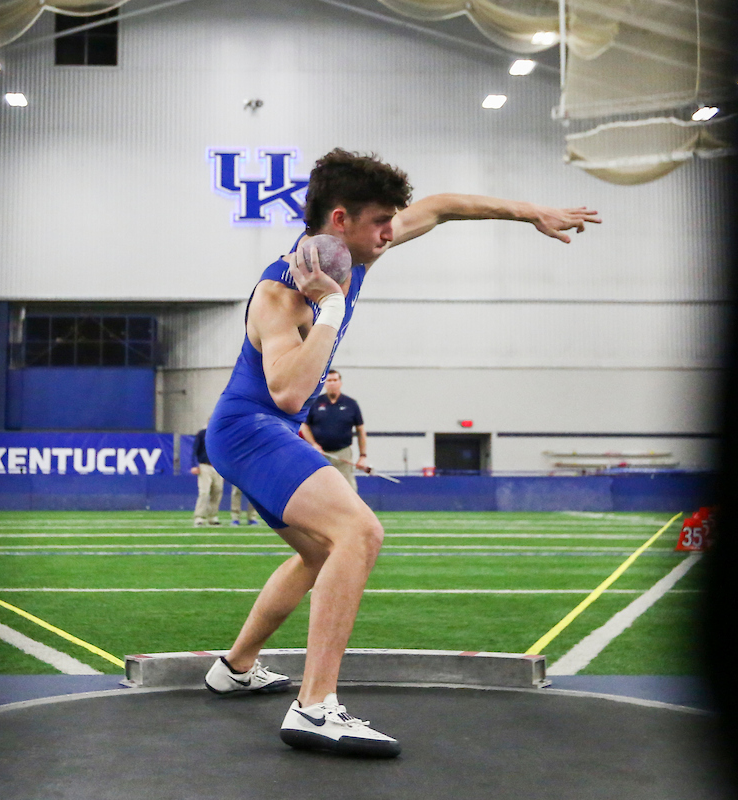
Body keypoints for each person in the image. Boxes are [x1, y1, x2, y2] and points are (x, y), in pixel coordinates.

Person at [203, 148, 599, 757]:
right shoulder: (282, 294)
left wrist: (530, 212)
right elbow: (288, 393)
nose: (392, 232)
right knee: (359, 532)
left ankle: (235, 666)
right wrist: (331, 306)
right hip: (250, 429)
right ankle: (314, 707)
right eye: (381, 222)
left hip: (259, 432)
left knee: (319, 553)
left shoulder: (359, 250)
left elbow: (442, 207)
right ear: (341, 220)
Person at [300, 369, 366, 493]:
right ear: (325, 383)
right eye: (329, 380)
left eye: (335, 380)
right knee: (320, 487)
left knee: (347, 488)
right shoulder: (315, 402)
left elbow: (361, 430)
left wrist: (363, 456)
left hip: (343, 453)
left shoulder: (351, 404)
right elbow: (304, 426)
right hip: (320, 454)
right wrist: (313, 444)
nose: (332, 383)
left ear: (340, 382)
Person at [189, 427, 222, 527]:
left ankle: (212, 516)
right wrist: (194, 465)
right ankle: (199, 517)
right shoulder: (203, 433)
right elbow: (195, 449)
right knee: (204, 492)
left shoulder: (222, 433)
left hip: (218, 466)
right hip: (204, 465)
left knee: (217, 491)